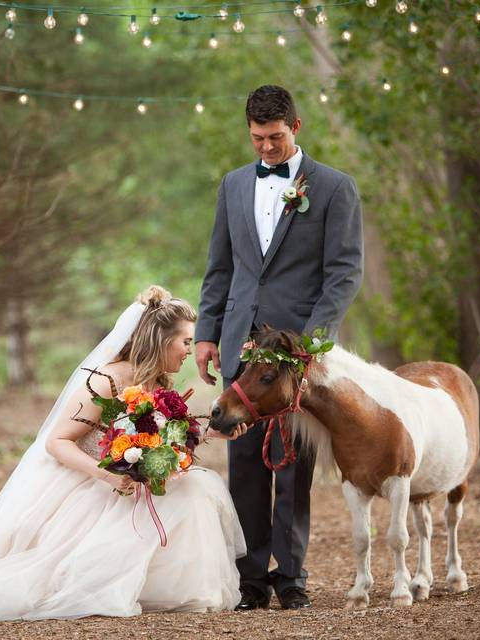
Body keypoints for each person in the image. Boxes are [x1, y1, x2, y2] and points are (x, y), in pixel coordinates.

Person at [0, 286, 246, 621]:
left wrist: (210, 435)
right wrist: (107, 475)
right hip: (90, 484)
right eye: (185, 342)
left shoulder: (158, 382)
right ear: (161, 341)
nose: (187, 351)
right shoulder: (107, 379)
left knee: (194, 488)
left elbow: (166, 438)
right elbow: (57, 442)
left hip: (128, 481)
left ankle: (168, 585)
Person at [195, 85, 364, 610]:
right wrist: (206, 333)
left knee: (293, 467)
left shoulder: (335, 189)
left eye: (275, 137)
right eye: (256, 138)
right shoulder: (232, 185)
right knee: (244, 466)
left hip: (296, 355)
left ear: (297, 126)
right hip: (239, 344)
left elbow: (343, 273)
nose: (265, 148)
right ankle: (250, 582)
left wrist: (312, 342)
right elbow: (220, 267)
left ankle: (291, 579)